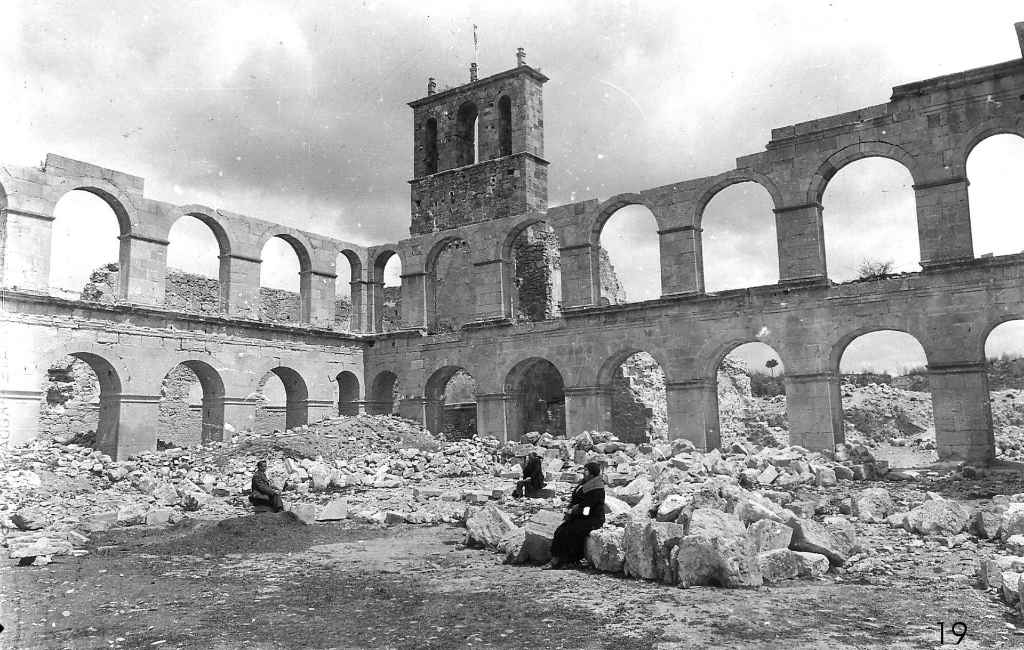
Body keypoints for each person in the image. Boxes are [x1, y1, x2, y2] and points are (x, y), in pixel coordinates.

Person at [543, 461, 605, 570]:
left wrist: (576, 511)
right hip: (581, 516)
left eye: (586, 470)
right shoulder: (584, 483)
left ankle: (569, 560)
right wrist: (570, 509)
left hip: (592, 518)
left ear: (592, 473)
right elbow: (576, 499)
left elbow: (588, 507)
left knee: (572, 532)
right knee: (560, 530)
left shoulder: (597, 487)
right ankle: (556, 559)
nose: (584, 472)